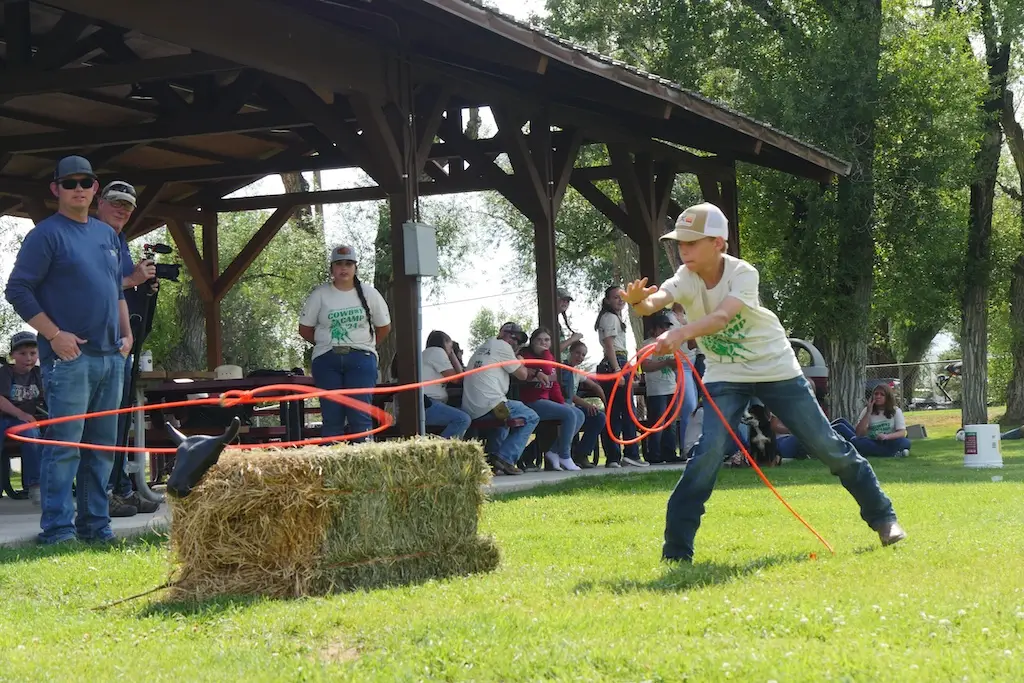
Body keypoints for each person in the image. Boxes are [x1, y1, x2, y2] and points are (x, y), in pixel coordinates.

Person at [624, 202, 904, 562]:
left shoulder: (743, 274)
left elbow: (723, 317)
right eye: (681, 243)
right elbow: (658, 298)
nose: (685, 249)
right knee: (707, 454)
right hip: (726, 375)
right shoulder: (685, 275)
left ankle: (885, 519)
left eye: (693, 242)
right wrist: (640, 304)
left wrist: (683, 333)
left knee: (827, 445)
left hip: (776, 369)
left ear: (719, 244)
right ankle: (676, 554)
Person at [5, 155, 133, 545]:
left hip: (111, 357)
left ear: (95, 189)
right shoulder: (45, 235)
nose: (78, 189)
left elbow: (116, 291)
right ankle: (58, 530)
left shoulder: (107, 235)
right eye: (70, 183)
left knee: (102, 448)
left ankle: (96, 526)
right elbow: (17, 290)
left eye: (86, 182)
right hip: (69, 358)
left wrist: (127, 339)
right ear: (56, 189)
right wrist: (54, 334)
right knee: (65, 448)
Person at [95, 180, 160, 516]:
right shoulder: (90, 235)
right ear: (99, 202)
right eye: (115, 202)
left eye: (128, 206)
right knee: (99, 426)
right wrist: (132, 280)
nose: (121, 210)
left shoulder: (119, 241)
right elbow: (93, 285)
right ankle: (100, 495)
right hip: (92, 345)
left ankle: (120, 486)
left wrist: (145, 288)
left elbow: (121, 292)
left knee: (118, 423)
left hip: (119, 344)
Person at [299, 245, 391, 441]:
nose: (344, 268)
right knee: (332, 419)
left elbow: (384, 327)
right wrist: (326, 343)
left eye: (348, 264)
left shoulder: (369, 293)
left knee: (361, 417)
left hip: (361, 357)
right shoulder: (320, 294)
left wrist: (367, 346)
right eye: (339, 264)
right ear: (332, 268)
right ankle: (334, 467)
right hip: (327, 360)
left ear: (355, 267)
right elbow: (304, 329)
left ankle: (364, 465)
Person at [461, 322, 540, 475]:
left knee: (502, 422)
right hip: (491, 405)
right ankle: (505, 458)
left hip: (472, 408)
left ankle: (493, 463)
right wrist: (521, 360)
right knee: (531, 416)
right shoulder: (502, 347)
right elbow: (523, 375)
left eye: (517, 340)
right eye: (513, 338)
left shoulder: (484, 347)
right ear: (503, 335)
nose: (514, 342)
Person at [595, 286, 646, 468]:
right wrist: (618, 369)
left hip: (619, 361)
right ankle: (630, 453)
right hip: (615, 362)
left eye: (622, 297)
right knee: (625, 411)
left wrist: (629, 368)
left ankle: (614, 456)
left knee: (616, 412)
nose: (620, 300)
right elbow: (610, 345)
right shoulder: (609, 318)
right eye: (615, 297)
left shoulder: (614, 317)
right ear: (607, 300)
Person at [518, 327, 583, 471]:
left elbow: (554, 385)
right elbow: (546, 370)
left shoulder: (549, 357)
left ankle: (554, 452)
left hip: (546, 401)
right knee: (570, 414)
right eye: (539, 340)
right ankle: (565, 456)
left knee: (578, 414)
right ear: (532, 341)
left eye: (547, 340)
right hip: (531, 402)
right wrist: (546, 352)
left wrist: (562, 403)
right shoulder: (525, 355)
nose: (543, 343)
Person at [0, 332, 45, 505]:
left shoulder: (38, 373)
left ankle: (35, 485)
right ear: (12, 355)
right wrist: (22, 414)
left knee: (31, 433)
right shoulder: (5, 372)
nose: (28, 358)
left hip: (25, 422)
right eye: (22, 354)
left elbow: (46, 396)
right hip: (5, 418)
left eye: (33, 353)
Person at [561, 340, 610, 469]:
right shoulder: (563, 369)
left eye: (583, 355)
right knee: (585, 414)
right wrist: (587, 405)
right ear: (570, 352)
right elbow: (568, 395)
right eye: (577, 353)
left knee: (599, 417)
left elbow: (595, 386)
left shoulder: (577, 371)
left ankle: (581, 454)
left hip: (574, 409)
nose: (580, 357)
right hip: (563, 406)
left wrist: (606, 403)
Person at [641, 313, 681, 464]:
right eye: (662, 327)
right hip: (657, 389)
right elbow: (645, 366)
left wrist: (673, 363)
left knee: (671, 422)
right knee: (658, 422)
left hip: (671, 386)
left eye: (667, 327)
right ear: (654, 328)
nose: (665, 329)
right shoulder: (648, 345)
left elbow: (677, 363)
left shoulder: (670, 344)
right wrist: (665, 363)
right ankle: (655, 454)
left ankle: (669, 453)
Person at [421, 330, 472, 439]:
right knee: (463, 419)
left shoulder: (427, 353)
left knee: (469, 414)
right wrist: (452, 354)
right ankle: (440, 451)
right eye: (450, 345)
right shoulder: (437, 352)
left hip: (426, 404)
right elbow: (457, 378)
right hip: (428, 404)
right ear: (444, 342)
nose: (450, 348)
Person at [851, 384, 912, 458]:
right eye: (876, 394)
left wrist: (886, 436)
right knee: (855, 441)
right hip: (872, 442)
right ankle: (893, 454)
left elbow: (902, 433)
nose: (878, 396)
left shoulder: (896, 411)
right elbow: (859, 433)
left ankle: (874, 453)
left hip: (889, 441)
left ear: (888, 397)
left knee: (905, 442)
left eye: (882, 394)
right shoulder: (866, 410)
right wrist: (868, 413)